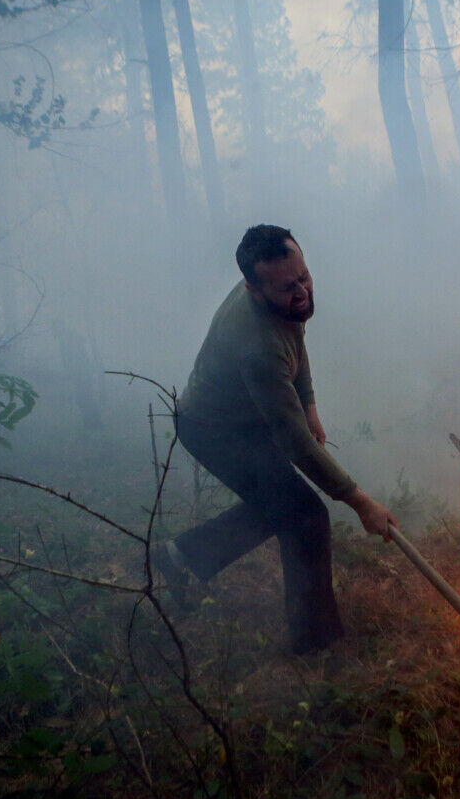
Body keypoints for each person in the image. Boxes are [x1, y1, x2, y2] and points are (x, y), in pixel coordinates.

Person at [156, 224, 398, 655]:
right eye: (289, 287)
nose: (302, 291)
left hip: (245, 415)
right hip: (214, 430)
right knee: (304, 516)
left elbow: (295, 341)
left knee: (280, 504)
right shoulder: (258, 348)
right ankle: (315, 641)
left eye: (304, 277)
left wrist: (308, 404)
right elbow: (296, 444)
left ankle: (180, 556)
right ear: (253, 288)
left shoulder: (280, 297)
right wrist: (362, 503)